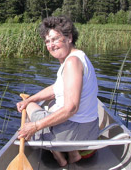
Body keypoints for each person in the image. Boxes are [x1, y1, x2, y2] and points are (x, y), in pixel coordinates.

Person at [16, 16, 99, 167]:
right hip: (90, 130)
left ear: (69, 38)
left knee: (30, 112)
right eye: (47, 41)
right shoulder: (77, 57)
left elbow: (71, 108)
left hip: (75, 133)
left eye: (55, 39)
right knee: (32, 103)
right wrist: (30, 98)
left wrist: (35, 126)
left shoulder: (72, 63)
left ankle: (61, 159)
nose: (51, 45)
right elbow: (55, 89)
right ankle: (73, 155)